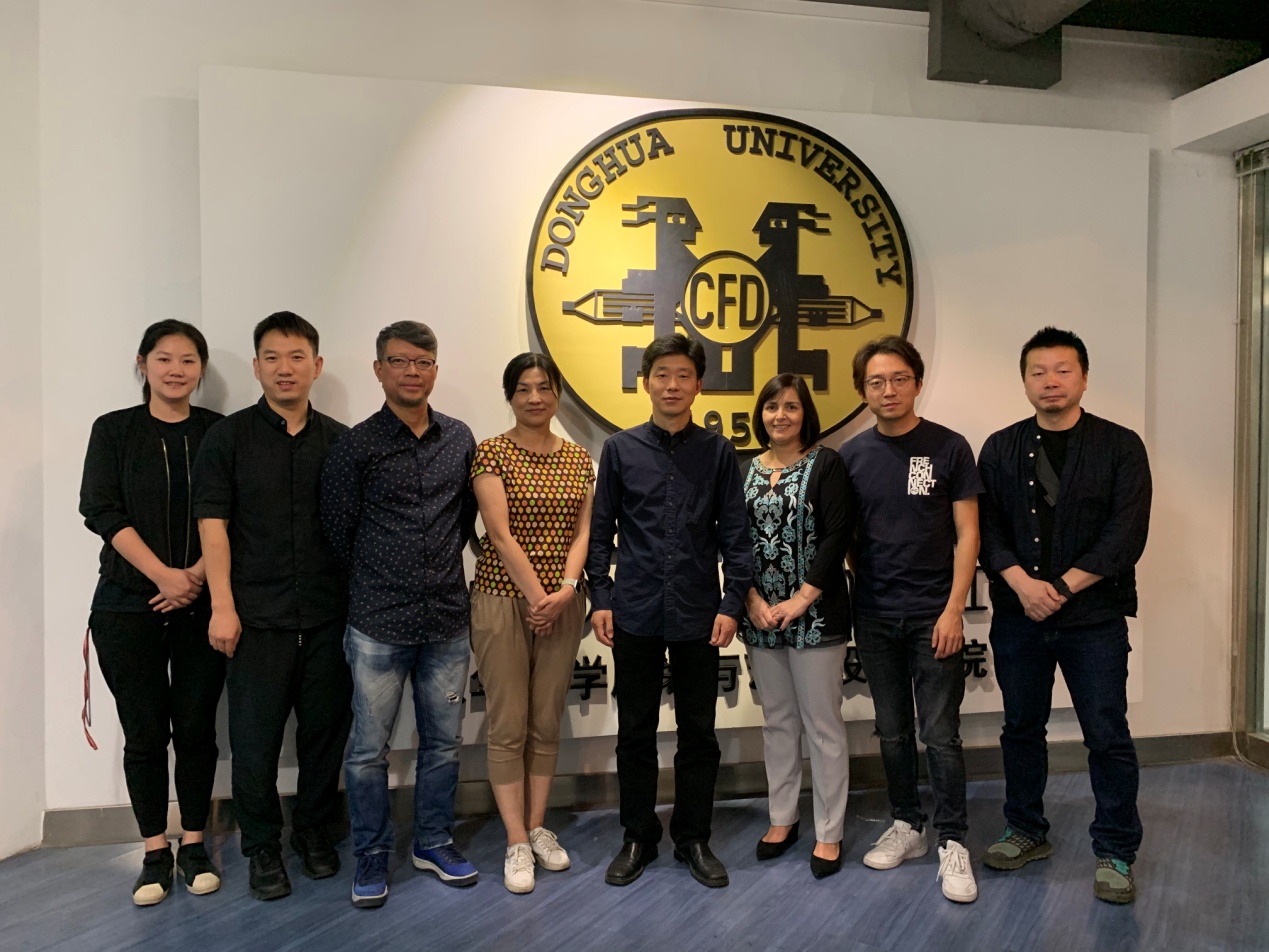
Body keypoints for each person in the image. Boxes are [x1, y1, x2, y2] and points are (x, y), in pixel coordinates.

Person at [977, 327, 1150, 904]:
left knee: (1107, 732)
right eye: (1038, 372)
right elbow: (987, 530)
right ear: (1024, 381)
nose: (1050, 381)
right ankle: (1025, 830)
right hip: (1018, 615)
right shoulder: (999, 448)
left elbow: (1126, 534)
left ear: (1084, 377)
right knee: (1021, 728)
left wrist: (1059, 589)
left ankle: (1116, 850)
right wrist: (1023, 586)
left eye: (1062, 370)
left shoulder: (1120, 446)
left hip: (1094, 618)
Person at [193, 311, 352, 901]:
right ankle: (261, 846)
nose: (285, 369)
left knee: (324, 736)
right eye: (272, 358)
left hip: (329, 616)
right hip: (255, 619)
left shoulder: (341, 442)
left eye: (297, 357)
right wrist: (222, 606)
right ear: (257, 367)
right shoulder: (228, 438)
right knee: (254, 743)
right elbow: (213, 527)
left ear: (317, 365)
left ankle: (313, 832)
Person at [320, 321, 478, 909]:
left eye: (423, 361)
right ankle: (372, 851)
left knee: (444, 744)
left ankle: (434, 841)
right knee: (367, 749)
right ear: (379, 369)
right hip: (378, 622)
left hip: (446, 621)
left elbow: (465, 518)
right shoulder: (355, 445)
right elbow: (338, 531)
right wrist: (383, 577)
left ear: (435, 369)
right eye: (400, 361)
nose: (412, 372)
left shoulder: (459, 438)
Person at [586, 334, 753, 890]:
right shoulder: (620, 449)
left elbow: (735, 535)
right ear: (646, 383)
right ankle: (637, 836)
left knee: (698, 733)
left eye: (684, 375)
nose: (672, 385)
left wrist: (732, 604)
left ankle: (693, 838)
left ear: (698, 385)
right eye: (662, 375)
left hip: (699, 613)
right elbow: (601, 532)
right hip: (633, 609)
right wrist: (601, 597)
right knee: (634, 731)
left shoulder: (719, 452)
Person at [79, 320, 226, 906]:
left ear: (201, 369)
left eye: (188, 360)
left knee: (195, 729)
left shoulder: (217, 432)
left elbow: (233, 512)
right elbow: (100, 509)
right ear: (142, 363)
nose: (176, 370)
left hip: (201, 604)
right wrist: (163, 575)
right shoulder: (113, 430)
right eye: (164, 358)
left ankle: (195, 843)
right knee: (144, 734)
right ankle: (154, 850)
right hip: (125, 604)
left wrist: (194, 577)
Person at [838, 335, 980, 904]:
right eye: (876, 382)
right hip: (874, 615)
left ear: (917, 383)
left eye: (899, 378)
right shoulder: (851, 456)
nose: (888, 390)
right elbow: (847, 538)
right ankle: (908, 824)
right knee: (892, 728)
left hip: (933, 615)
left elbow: (968, 533)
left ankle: (953, 840)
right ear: (862, 391)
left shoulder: (948, 447)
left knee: (940, 733)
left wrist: (953, 609)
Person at [469, 353, 595, 894]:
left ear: (558, 393)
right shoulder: (491, 452)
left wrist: (564, 591)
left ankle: (539, 826)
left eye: (544, 387)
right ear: (510, 396)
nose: (535, 397)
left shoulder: (578, 458)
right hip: (502, 601)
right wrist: (538, 597)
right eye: (523, 388)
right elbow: (498, 534)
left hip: (562, 604)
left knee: (546, 720)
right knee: (508, 724)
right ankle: (516, 840)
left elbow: (584, 532)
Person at [741, 374, 855, 879]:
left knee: (823, 726)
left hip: (816, 616)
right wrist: (751, 599)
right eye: (772, 406)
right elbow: (733, 539)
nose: (780, 415)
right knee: (777, 722)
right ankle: (782, 818)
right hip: (761, 617)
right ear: (760, 414)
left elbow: (837, 534)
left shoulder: (826, 464)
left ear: (805, 413)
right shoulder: (746, 469)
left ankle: (829, 831)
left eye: (791, 406)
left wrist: (801, 598)